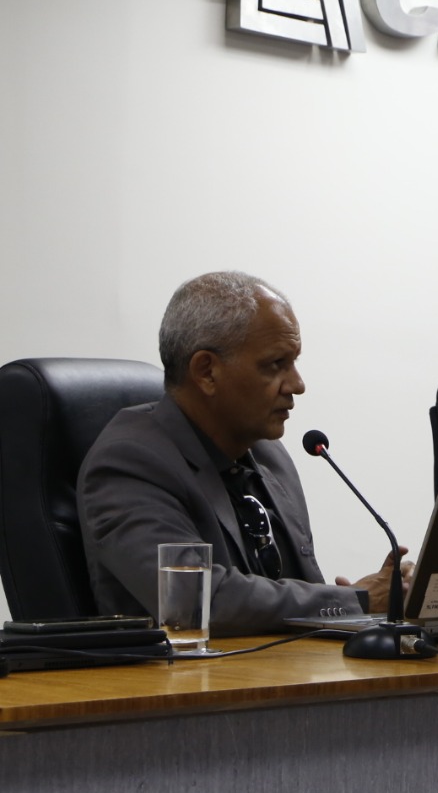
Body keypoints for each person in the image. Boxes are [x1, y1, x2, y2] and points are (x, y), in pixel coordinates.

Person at [77, 272, 408, 636]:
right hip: (187, 671)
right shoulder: (129, 463)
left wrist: (374, 600)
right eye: (275, 364)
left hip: (282, 665)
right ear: (207, 371)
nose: (297, 384)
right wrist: (357, 600)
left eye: (294, 362)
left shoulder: (269, 456)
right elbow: (198, 600)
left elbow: (296, 593)